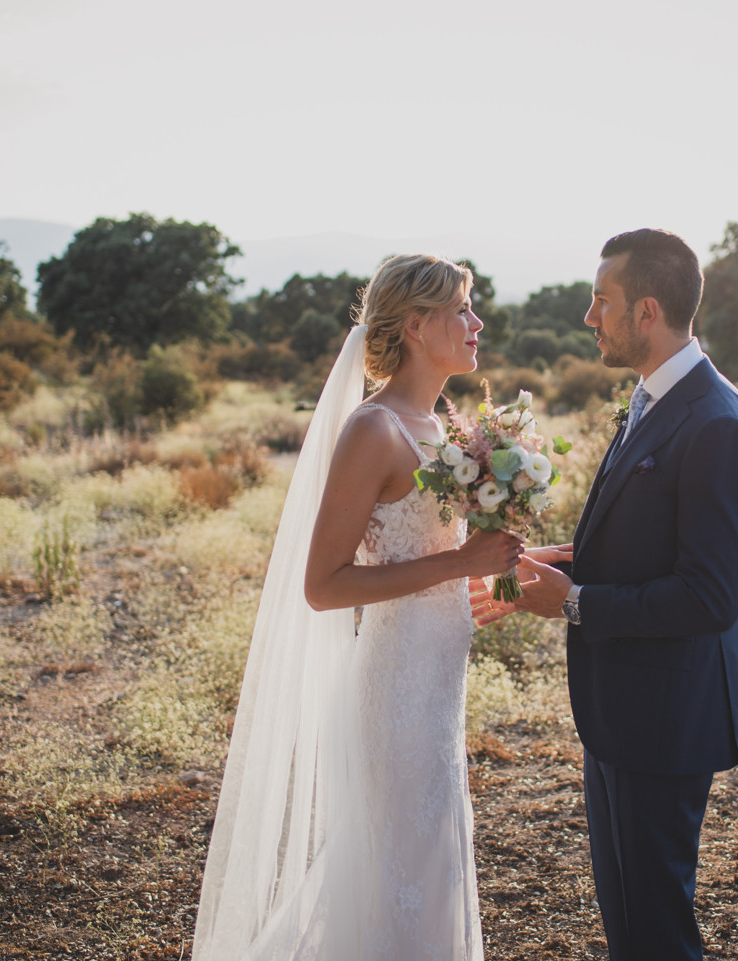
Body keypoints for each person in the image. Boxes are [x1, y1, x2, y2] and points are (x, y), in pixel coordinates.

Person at [191, 254, 522, 961]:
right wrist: (460, 562)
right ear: (415, 325)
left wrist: (502, 571)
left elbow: (438, 557)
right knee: (398, 861)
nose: (477, 322)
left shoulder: (444, 431)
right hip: (395, 686)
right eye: (462, 308)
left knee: (428, 855)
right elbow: (325, 583)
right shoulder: (374, 430)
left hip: (439, 684)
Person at [492, 228, 738, 960]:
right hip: (623, 709)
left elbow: (709, 595)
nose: (590, 317)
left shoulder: (717, 424)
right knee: (629, 925)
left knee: (656, 930)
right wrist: (561, 560)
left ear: (646, 312)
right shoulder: (652, 399)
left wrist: (573, 601)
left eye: (600, 301)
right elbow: (652, 543)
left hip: (666, 719)